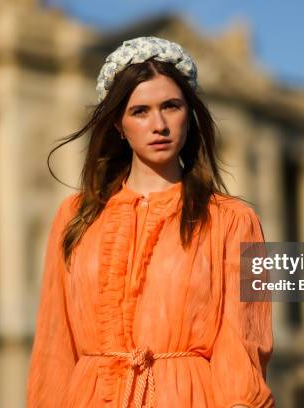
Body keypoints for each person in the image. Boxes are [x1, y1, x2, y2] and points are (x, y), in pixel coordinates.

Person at [26, 36, 274, 408]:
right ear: (118, 126)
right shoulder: (74, 216)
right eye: (140, 111)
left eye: (170, 107)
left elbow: (242, 344)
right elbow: (53, 343)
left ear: (188, 116)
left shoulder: (234, 220)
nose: (158, 124)